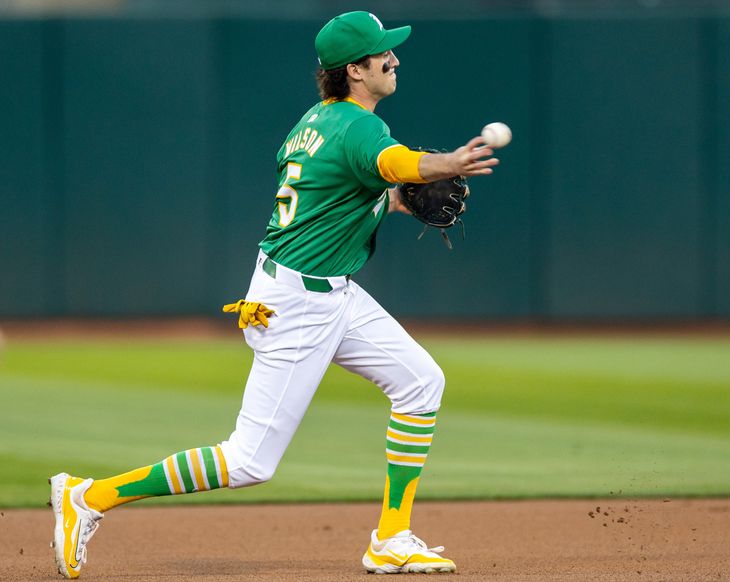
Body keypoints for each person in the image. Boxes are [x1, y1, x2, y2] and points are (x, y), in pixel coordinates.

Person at [49, 10, 498, 578]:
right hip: (298, 305)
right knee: (248, 462)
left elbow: (339, 196)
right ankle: (89, 497)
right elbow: (394, 162)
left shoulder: (316, 121)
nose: (394, 59)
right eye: (383, 53)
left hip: (328, 292)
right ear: (355, 70)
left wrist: (400, 200)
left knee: (420, 382)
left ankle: (391, 538)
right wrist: (445, 165)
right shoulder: (361, 128)